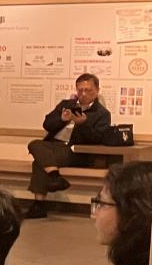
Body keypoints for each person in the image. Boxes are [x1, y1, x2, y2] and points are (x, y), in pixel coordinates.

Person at [24, 73, 115, 218]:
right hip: (53, 145)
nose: (83, 94)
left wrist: (83, 124)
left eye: (88, 90)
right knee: (34, 144)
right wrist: (61, 119)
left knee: (40, 161)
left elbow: (98, 138)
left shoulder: (102, 113)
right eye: (80, 90)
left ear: (97, 90)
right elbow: (47, 124)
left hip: (76, 151)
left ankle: (39, 205)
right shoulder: (66, 105)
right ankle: (54, 176)